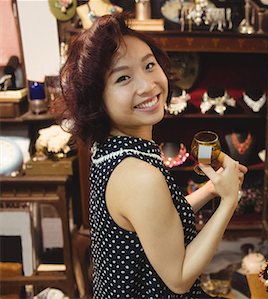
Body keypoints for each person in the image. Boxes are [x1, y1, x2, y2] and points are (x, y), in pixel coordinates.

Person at [60, 12, 247, 298]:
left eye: (149, 65)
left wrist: (210, 190)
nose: (149, 85)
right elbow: (180, 277)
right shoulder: (139, 176)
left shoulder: (107, 149)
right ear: (97, 98)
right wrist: (229, 201)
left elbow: (156, 220)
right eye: (123, 77)